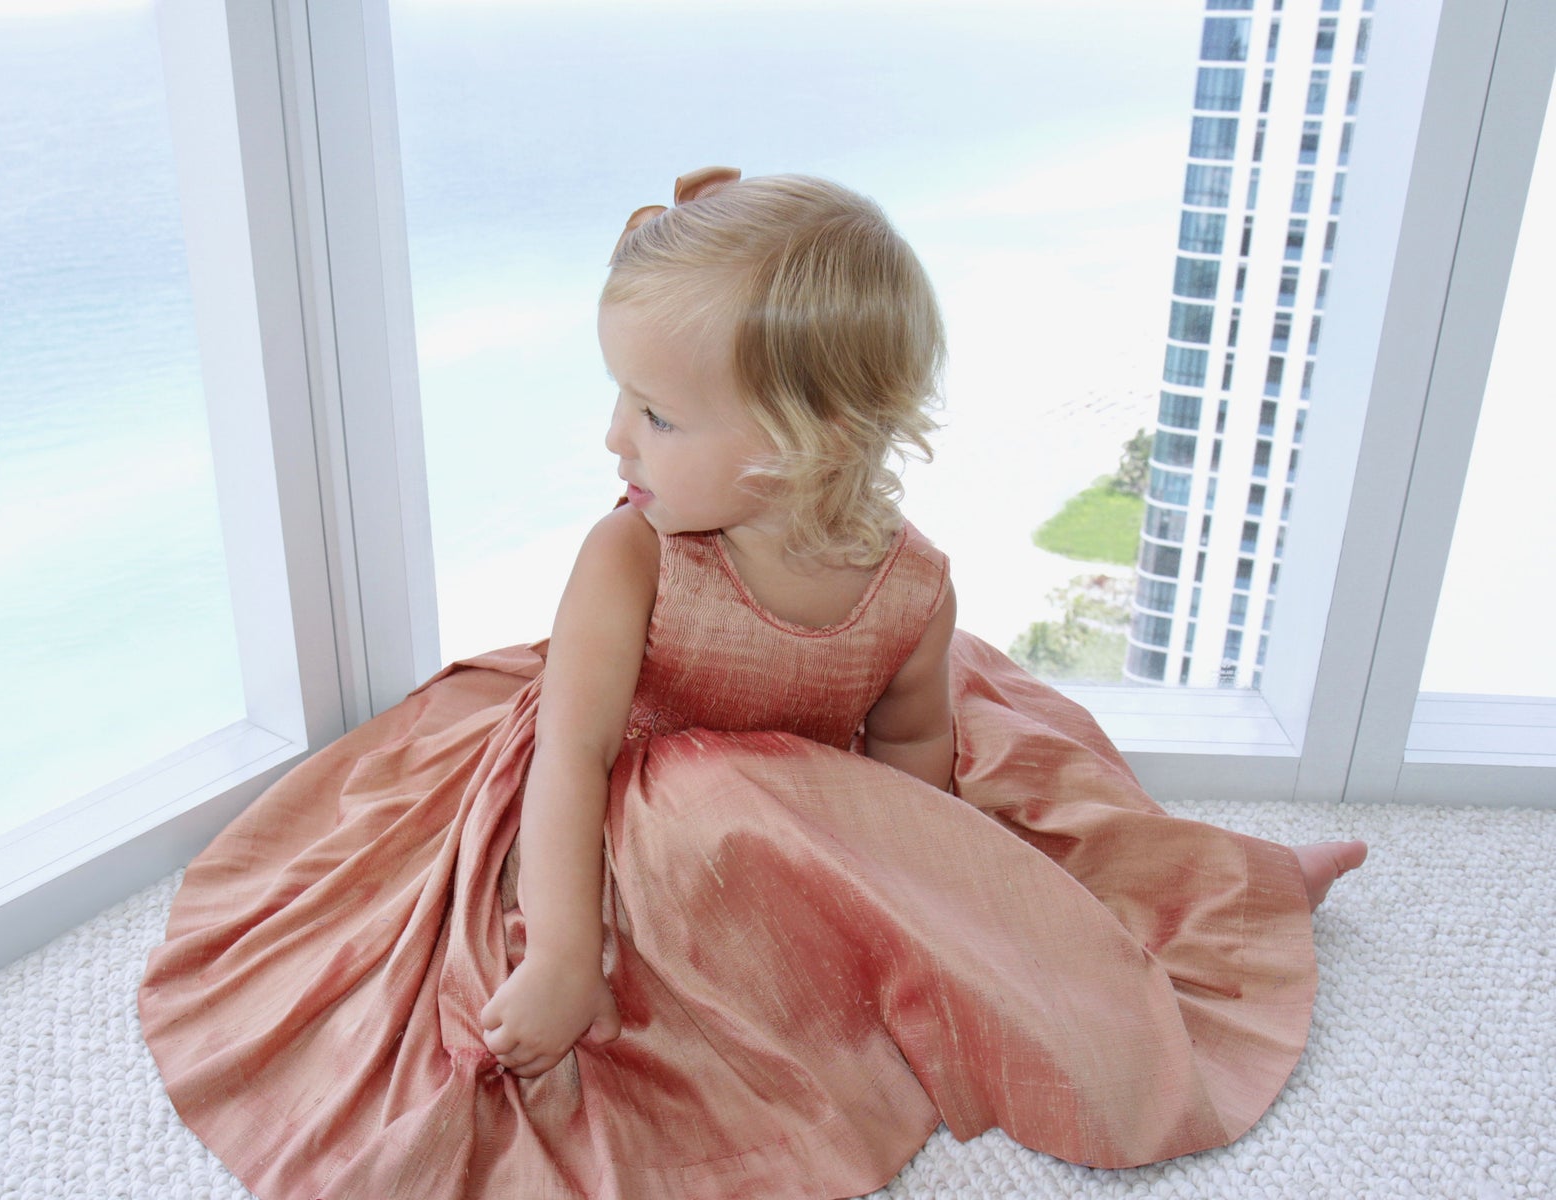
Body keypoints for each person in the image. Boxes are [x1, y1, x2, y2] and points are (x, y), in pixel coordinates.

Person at [140, 167, 1367, 1200]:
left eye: (656, 414)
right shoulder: (630, 555)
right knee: (722, 807)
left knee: (1040, 810)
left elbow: (915, 757)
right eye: (621, 399)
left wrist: (938, 884)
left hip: (820, 799)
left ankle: (1234, 892)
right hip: (632, 819)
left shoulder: (912, 588)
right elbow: (569, 757)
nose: (613, 438)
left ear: (799, 447)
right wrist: (561, 953)